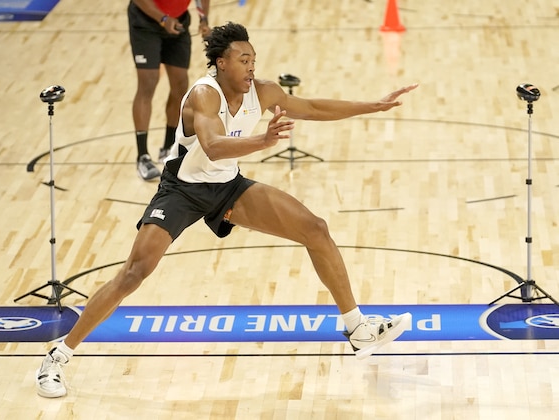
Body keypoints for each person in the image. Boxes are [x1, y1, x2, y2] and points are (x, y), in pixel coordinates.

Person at [36, 22, 418, 398]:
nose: (252, 66)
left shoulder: (263, 90)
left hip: (226, 187)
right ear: (221, 63)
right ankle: (57, 356)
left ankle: (357, 327)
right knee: (135, 273)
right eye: (244, 59)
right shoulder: (204, 95)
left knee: (314, 228)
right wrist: (262, 140)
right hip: (182, 190)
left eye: (253, 59)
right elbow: (214, 146)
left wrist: (374, 105)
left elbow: (313, 106)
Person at [129, 0, 212, 181]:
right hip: (146, 22)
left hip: (178, 21)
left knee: (181, 85)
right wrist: (163, 18)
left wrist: (204, 19)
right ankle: (142, 156)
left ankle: (168, 148)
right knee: (148, 83)